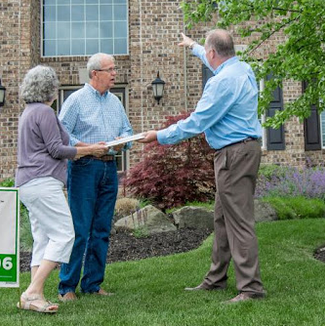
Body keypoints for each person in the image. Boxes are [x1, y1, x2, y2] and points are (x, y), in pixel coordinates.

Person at [139, 30, 266, 303]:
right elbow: (216, 62)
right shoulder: (242, 68)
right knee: (222, 218)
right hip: (243, 150)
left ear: (212, 53)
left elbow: (197, 122)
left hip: (233, 154)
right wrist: (194, 46)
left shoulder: (221, 83)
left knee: (239, 222)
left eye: (206, 52)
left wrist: (159, 136)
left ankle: (251, 288)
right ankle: (216, 279)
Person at [15, 65, 108, 314]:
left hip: (28, 183)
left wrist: (88, 146)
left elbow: (66, 140)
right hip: (42, 182)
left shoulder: (28, 112)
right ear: (50, 89)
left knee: (43, 238)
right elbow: (57, 149)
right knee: (65, 235)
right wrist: (90, 151)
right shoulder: (44, 112)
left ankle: (35, 295)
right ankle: (32, 292)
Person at [57, 53, 133, 301]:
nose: (114, 74)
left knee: (101, 229)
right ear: (94, 74)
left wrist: (123, 143)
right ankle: (67, 287)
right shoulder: (76, 100)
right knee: (79, 229)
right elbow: (61, 132)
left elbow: (127, 130)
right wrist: (86, 146)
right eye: (109, 69)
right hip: (84, 167)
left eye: (115, 69)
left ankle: (92, 283)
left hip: (110, 168)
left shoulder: (116, 102)